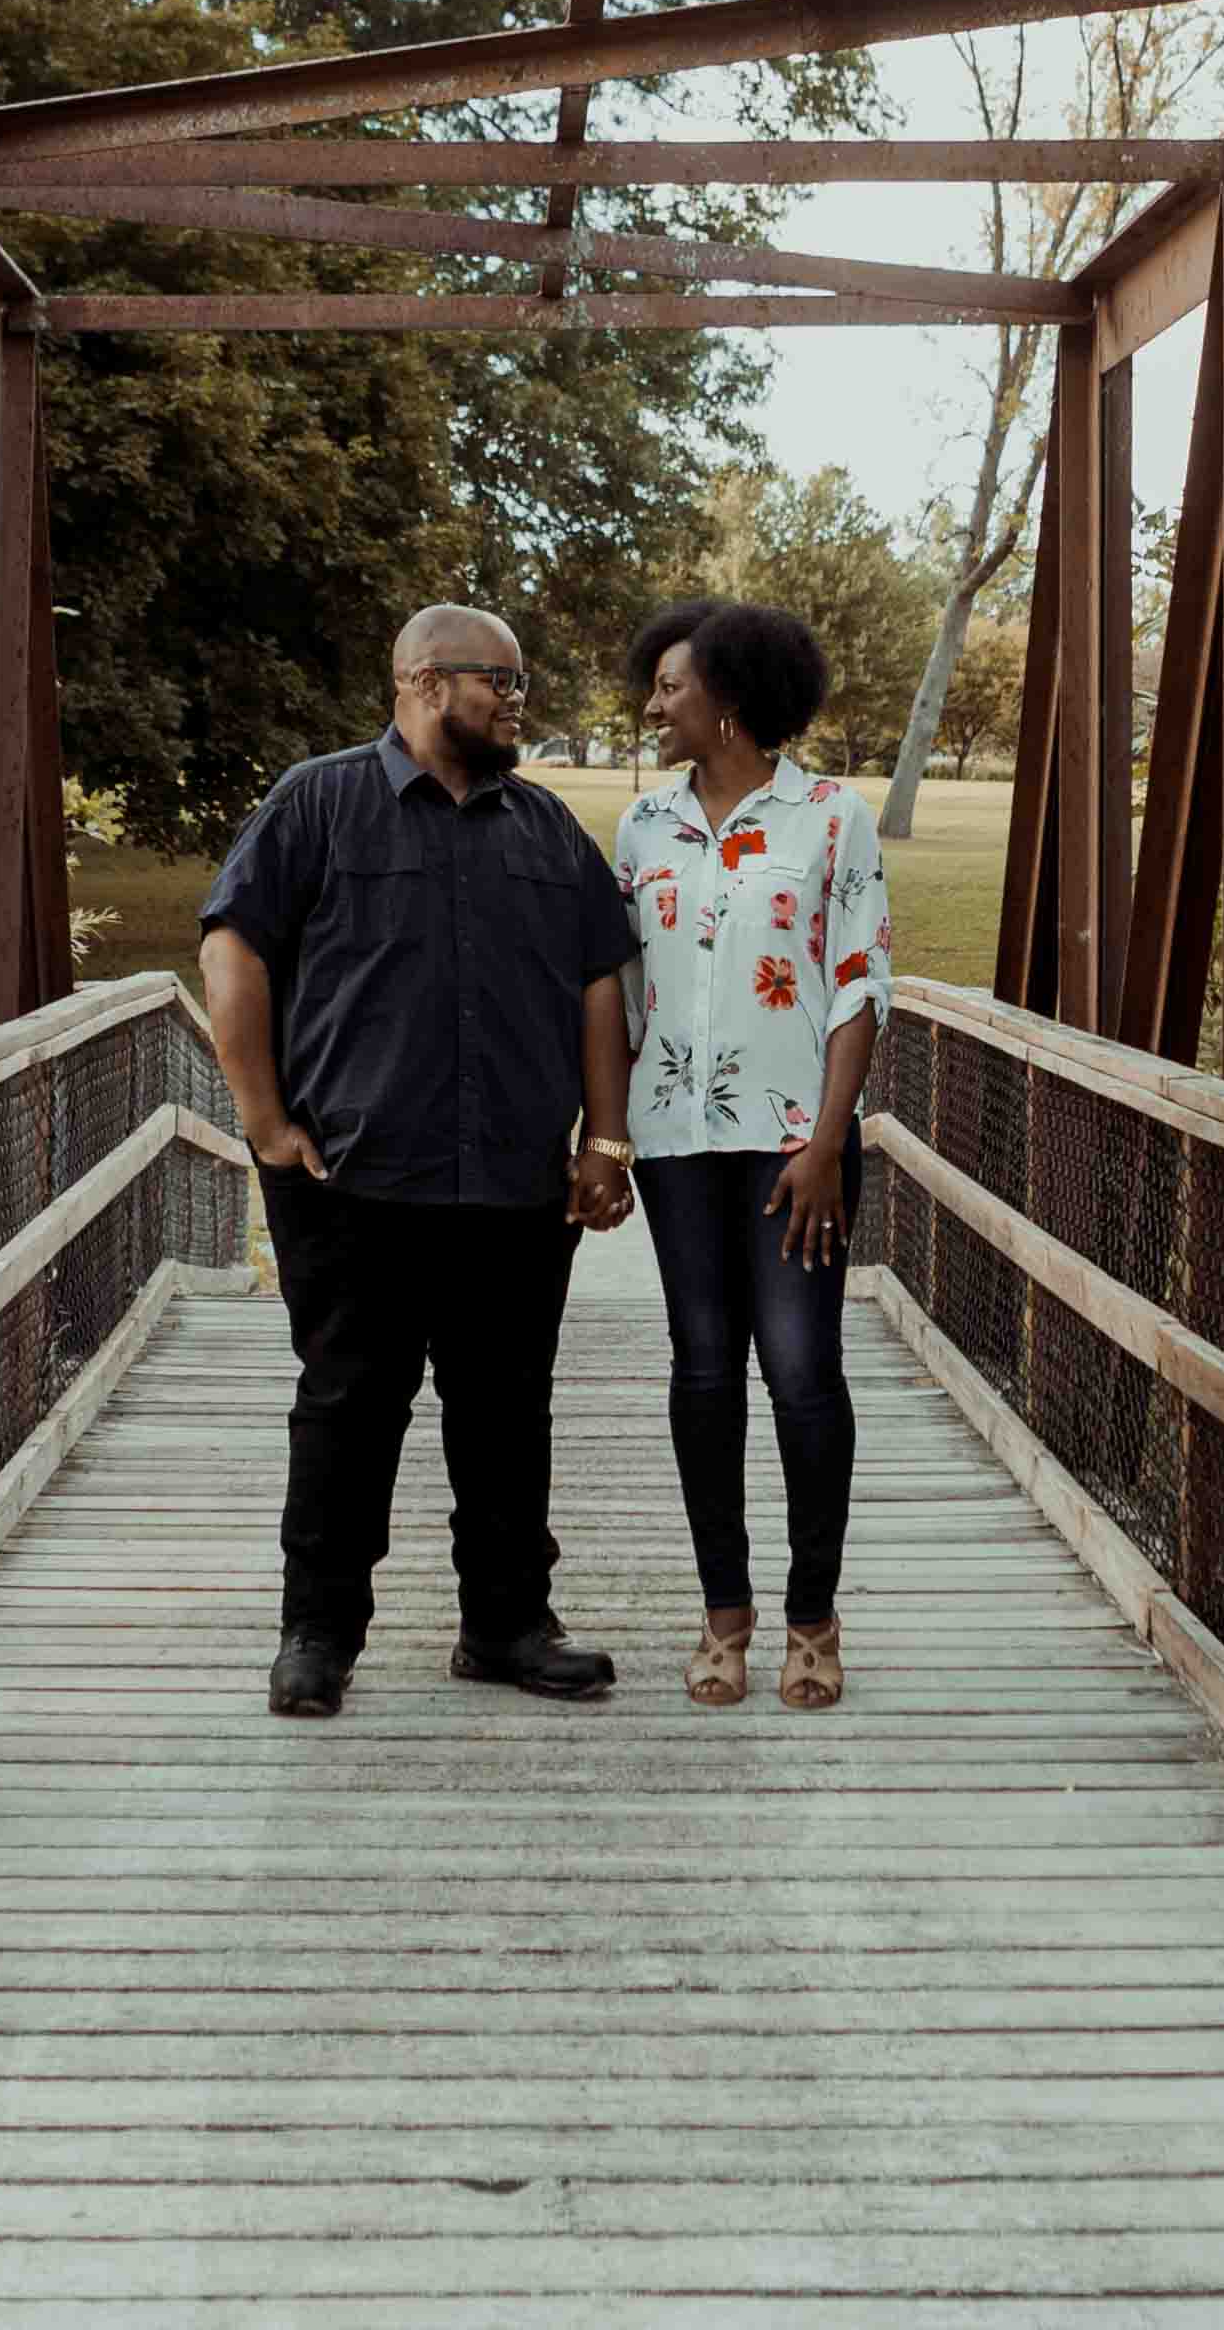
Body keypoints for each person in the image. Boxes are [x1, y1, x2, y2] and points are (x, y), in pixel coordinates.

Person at [196, 601, 643, 1719]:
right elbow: (231, 946)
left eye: (519, 684)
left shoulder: (547, 831)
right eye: (502, 681)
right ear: (426, 682)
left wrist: (604, 1135)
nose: (515, 703)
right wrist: (262, 1118)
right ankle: (318, 1632)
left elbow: (601, 982)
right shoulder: (319, 801)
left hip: (511, 1180)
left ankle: (505, 1625)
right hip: (354, 1176)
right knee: (349, 1404)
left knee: (506, 1409)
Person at [609, 597, 890, 1711]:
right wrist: (605, 1135)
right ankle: (724, 1618)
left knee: (804, 1370)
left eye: (672, 685)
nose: (655, 702)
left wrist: (827, 1141)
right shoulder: (642, 828)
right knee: (705, 1370)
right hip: (679, 1144)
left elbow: (860, 982)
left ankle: (813, 1621)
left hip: (794, 1146)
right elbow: (622, 994)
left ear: (728, 699)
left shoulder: (830, 818)